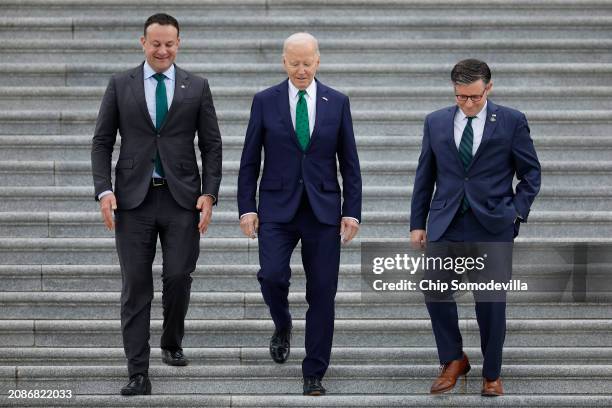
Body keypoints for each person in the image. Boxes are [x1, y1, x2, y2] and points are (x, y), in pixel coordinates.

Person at [91, 13, 222, 396]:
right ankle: (138, 371)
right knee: (136, 285)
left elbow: (212, 145)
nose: (162, 50)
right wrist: (104, 190)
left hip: (182, 199)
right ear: (143, 43)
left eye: (169, 43)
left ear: (178, 43)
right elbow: (102, 141)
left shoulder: (196, 86)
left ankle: (171, 340)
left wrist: (209, 193)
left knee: (179, 276)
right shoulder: (120, 84)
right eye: (155, 43)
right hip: (133, 201)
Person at [237, 32, 362, 396]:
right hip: (276, 208)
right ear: (283, 62)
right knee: (272, 275)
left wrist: (352, 212)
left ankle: (314, 371)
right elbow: (249, 161)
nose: (302, 70)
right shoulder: (265, 101)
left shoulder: (337, 102)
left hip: (323, 211)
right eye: (295, 63)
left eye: (308, 63)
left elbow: (349, 164)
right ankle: (282, 323)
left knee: (322, 293)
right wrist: (247, 207)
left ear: (318, 61)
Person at [410, 59, 541, 397]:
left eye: (474, 97)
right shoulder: (436, 122)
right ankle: (453, 358)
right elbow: (425, 175)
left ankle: (492, 374)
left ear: (489, 88)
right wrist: (417, 223)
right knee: (434, 290)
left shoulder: (511, 121)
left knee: (491, 303)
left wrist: (515, 212)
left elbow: (531, 174)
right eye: (461, 97)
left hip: (493, 225)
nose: (468, 104)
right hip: (447, 222)